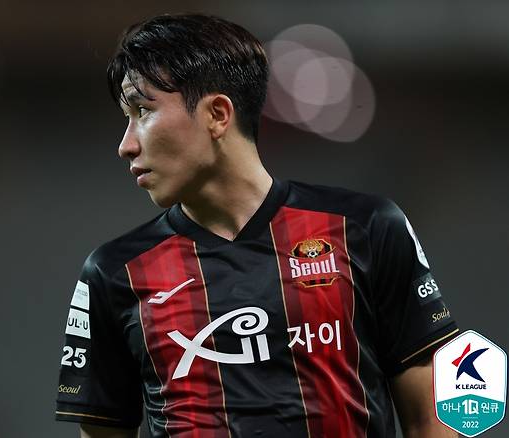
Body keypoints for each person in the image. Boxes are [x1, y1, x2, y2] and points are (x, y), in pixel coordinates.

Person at [55, 13, 459, 438]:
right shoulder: (114, 273)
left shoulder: (365, 229)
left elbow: (432, 417)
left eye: (143, 111)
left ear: (217, 114)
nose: (126, 145)